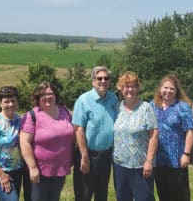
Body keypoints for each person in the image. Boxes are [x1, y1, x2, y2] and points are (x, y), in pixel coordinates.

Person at [20, 81, 75, 201]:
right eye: (43, 94)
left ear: (56, 95)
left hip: (61, 167)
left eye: (50, 93)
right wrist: (32, 167)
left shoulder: (64, 111)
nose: (47, 97)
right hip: (40, 170)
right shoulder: (32, 116)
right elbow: (24, 142)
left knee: (54, 198)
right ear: (38, 98)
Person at [72, 66, 118, 201]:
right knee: (84, 194)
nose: (103, 81)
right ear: (93, 81)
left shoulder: (113, 98)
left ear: (109, 81)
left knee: (102, 194)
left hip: (106, 155)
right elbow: (78, 130)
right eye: (99, 78)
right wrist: (85, 157)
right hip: (87, 155)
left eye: (106, 78)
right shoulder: (83, 100)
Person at [113, 71, 158, 201]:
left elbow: (154, 135)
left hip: (141, 166)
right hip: (120, 165)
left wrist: (149, 161)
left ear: (138, 88)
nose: (130, 89)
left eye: (133, 86)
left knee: (144, 198)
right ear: (121, 88)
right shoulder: (117, 107)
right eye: (126, 86)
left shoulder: (146, 108)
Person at [150, 75, 193, 201]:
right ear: (160, 89)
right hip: (158, 159)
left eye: (172, 89)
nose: (168, 91)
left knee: (179, 194)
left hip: (177, 159)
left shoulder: (182, 107)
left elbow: (191, 131)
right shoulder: (153, 106)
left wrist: (186, 154)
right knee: (163, 193)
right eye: (166, 87)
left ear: (177, 91)